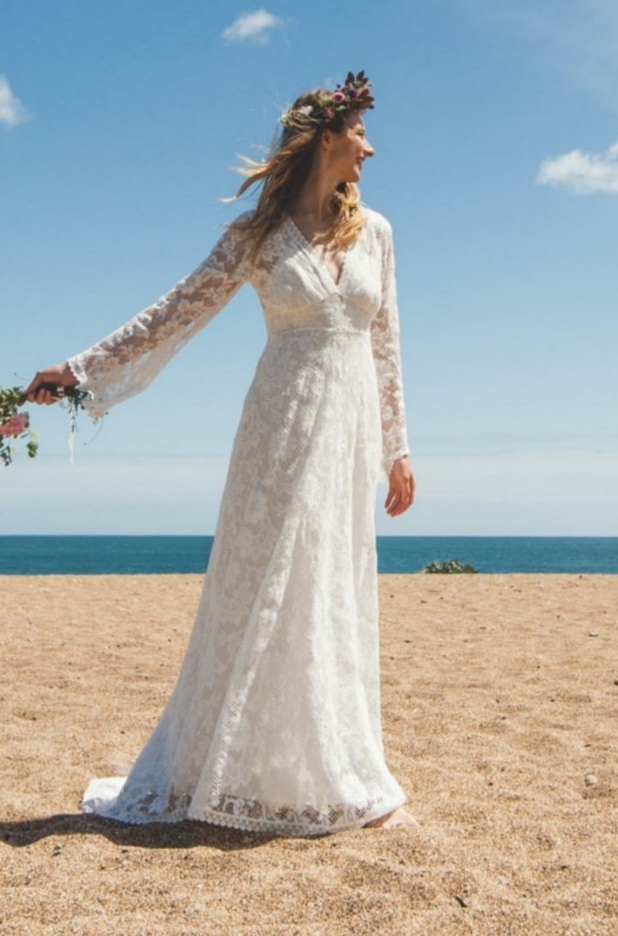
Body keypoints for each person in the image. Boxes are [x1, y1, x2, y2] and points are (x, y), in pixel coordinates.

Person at [23, 70, 417, 835]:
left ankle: (329, 761)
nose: (371, 146)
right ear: (326, 137)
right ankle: (227, 767)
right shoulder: (255, 239)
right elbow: (175, 310)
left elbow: (386, 343)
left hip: (349, 434)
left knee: (327, 583)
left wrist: (397, 449)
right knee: (266, 582)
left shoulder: (377, 232)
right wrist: (79, 370)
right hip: (279, 424)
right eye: (360, 131)